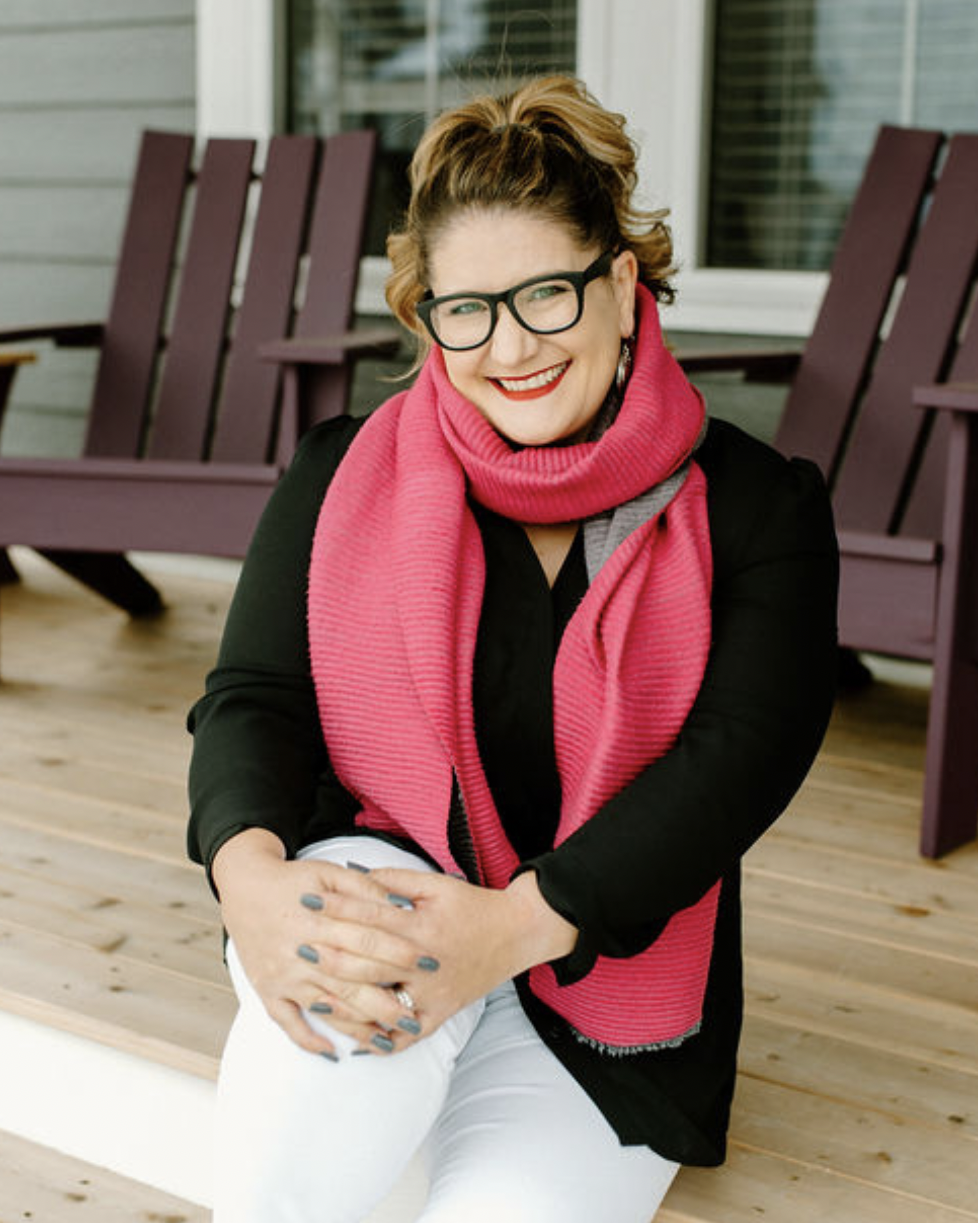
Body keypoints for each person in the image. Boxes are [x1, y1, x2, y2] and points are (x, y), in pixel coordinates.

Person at [186, 74, 839, 1223]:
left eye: (545, 294)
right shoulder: (341, 474)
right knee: (284, 1187)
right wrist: (248, 885)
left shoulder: (756, 505)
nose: (509, 346)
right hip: (376, 892)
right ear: (427, 317)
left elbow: (740, 761)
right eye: (467, 310)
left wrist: (508, 929)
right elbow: (255, 697)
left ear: (621, 286)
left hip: (602, 953)